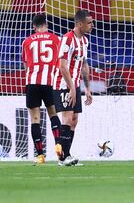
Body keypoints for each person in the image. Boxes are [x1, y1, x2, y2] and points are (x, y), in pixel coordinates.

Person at [53, 10, 93, 166]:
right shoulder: (67, 40)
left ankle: (66, 156)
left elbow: (84, 65)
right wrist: (71, 88)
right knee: (68, 118)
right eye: (89, 23)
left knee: (74, 121)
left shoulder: (84, 41)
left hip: (75, 85)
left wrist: (87, 89)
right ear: (79, 24)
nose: (92, 25)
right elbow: (62, 67)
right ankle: (63, 157)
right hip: (62, 84)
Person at [21, 13, 63, 164]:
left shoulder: (26, 41)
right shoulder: (56, 39)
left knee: (35, 119)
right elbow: (61, 61)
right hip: (49, 82)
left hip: (32, 82)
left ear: (34, 26)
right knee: (53, 114)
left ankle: (40, 155)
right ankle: (58, 144)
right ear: (46, 25)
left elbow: (26, 65)